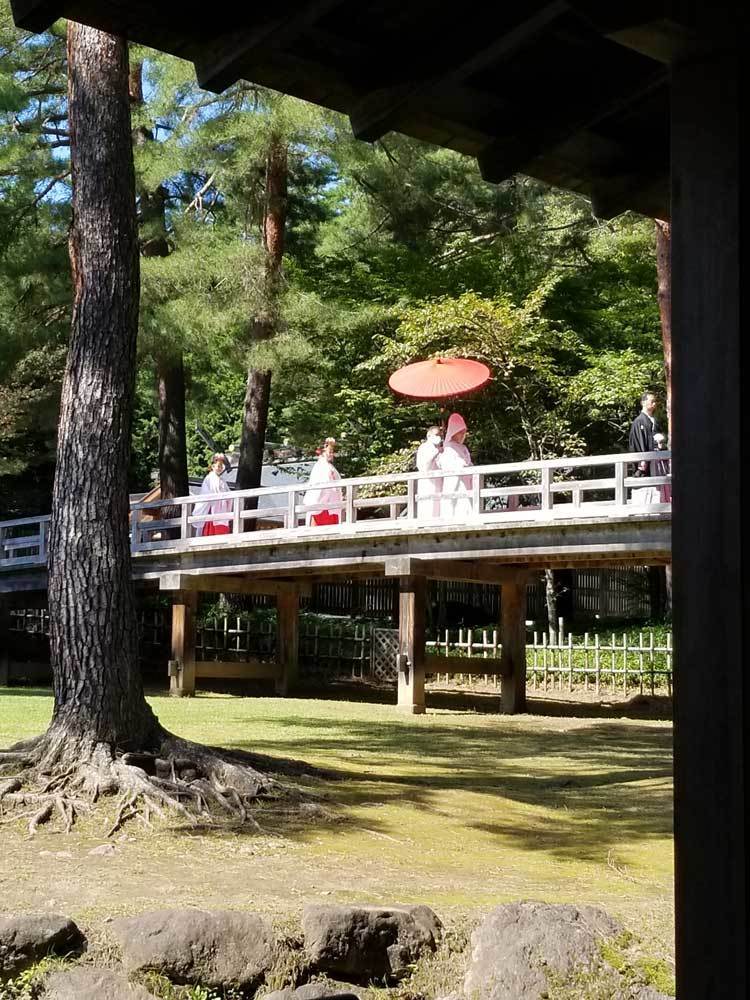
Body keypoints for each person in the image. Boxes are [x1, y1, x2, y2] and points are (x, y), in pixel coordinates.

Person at [628, 391, 661, 504]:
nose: (654, 404)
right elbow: (638, 441)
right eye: (652, 401)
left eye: (655, 401)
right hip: (645, 462)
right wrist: (642, 460)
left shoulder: (652, 420)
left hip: (654, 460)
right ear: (643, 402)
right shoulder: (639, 421)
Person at [438, 412, 473, 518]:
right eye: (460, 432)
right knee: (455, 501)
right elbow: (446, 464)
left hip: (466, 479)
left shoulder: (463, 448)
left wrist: (469, 466)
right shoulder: (448, 448)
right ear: (454, 432)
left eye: (464, 432)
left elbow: (469, 461)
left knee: (466, 501)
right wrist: (461, 465)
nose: (462, 435)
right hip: (455, 480)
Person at [303, 437, 342, 526]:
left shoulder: (330, 467)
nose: (331, 454)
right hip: (322, 505)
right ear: (322, 452)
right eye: (329, 452)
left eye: (332, 452)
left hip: (331, 504)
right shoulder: (320, 466)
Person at [195, 453, 233, 536]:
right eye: (218, 466)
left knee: (221, 525)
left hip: (222, 507)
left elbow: (228, 493)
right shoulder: (209, 478)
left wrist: (226, 497)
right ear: (213, 467)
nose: (219, 468)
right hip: (212, 505)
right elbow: (205, 492)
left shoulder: (222, 480)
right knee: (211, 523)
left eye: (221, 467)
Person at [415, 425, 443, 518]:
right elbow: (423, 466)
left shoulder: (441, 449)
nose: (438, 437)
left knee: (439, 506)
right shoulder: (424, 447)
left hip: (439, 481)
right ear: (429, 436)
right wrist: (436, 452)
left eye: (440, 435)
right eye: (436, 434)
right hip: (427, 481)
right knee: (427, 505)